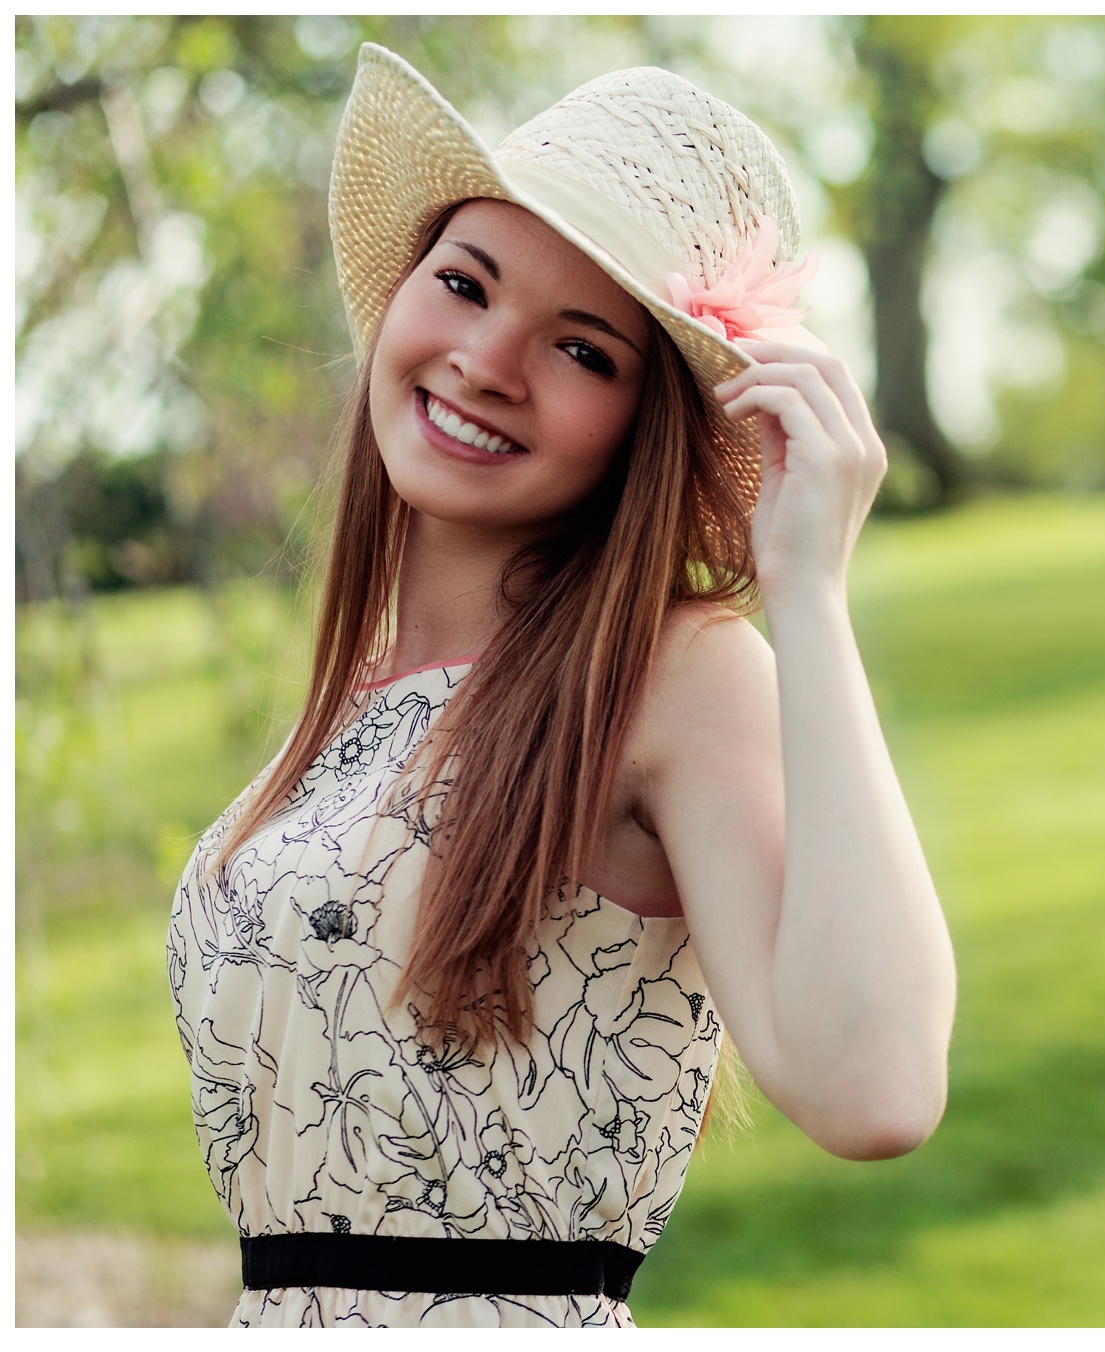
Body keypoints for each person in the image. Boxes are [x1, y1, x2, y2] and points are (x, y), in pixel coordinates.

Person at [166, 44, 956, 1327]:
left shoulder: (672, 673)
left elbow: (873, 1087)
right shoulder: (361, 702)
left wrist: (805, 592)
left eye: (583, 351)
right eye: (465, 283)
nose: (486, 359)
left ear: (645, 426)